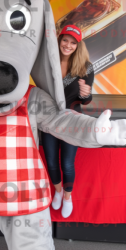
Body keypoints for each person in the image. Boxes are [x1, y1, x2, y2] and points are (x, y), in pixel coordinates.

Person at [41, 24, 94, 218]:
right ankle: (57, 191)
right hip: (49, 119)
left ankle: (68, 197)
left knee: (67, 164)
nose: (68, 45)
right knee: (52, 162)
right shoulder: (48, 62)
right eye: (65, 40)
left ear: (78, 45)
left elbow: (85, 101)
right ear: (59, 39)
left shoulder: (85, 67)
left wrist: (86, 94)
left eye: (73, 43)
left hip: (72, 121)